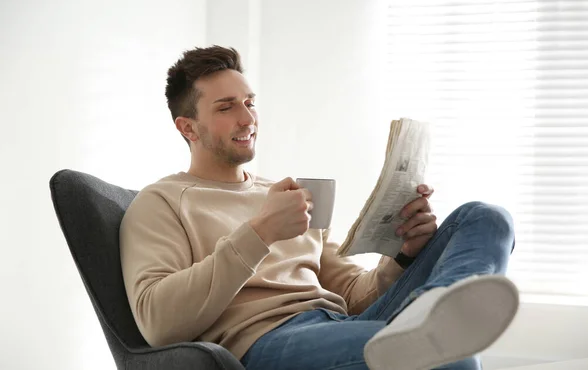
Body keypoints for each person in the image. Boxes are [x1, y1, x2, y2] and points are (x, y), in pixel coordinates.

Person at [120, 46, 518, 370]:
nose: (248, 118)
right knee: (452, 358)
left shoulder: (286, 194)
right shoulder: (161, 202)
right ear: (188, 128)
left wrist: (401, 257)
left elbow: (350, 293)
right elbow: (159, 323)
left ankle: (433, 309)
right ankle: (433, 328)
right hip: (269, 341)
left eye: (249, 102)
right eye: (226, 108)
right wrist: (260, 233)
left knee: (485, 217)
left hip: (341, 323)